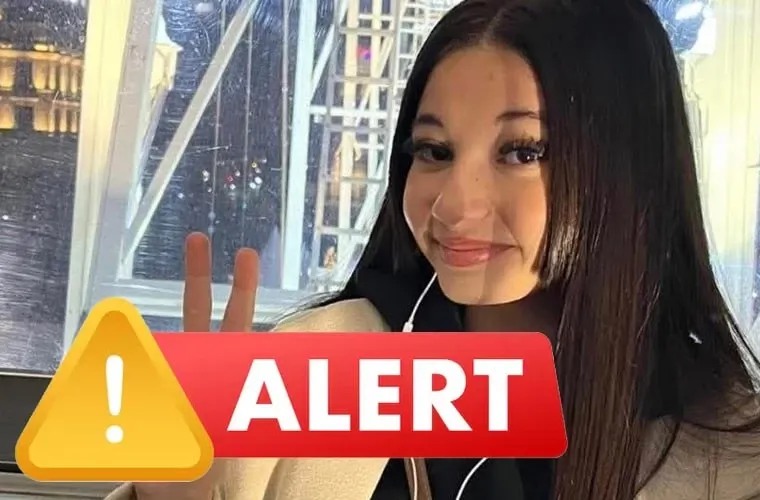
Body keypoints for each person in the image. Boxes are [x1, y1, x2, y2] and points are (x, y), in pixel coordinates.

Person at [106, 0, 760, 498]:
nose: (453, 204)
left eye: (521, 151)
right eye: (435, 151)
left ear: (631, 173)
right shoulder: (310, 373)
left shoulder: (727, 447)